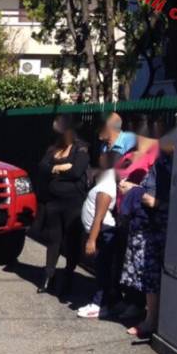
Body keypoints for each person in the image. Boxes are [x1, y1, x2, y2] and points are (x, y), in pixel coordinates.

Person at [118, 123, 174, 339]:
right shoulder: (160, 161)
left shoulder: (166, 165)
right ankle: (150, 318)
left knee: (151, 276)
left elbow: (154, 200)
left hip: (156, 229)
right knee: (147, 276)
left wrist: (133, 190)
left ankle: (151, 321)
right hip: (148, 227)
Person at [36, 115, 89, 295]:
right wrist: (58, 168)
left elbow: (76, 171)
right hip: (54, 202)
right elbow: (42, 167)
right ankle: (48, 275)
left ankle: (68, 275)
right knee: (53, 239)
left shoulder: (81, 148)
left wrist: (57, 169)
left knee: (71, 240)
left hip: (73, 202)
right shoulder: (54, 148)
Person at [77, 151, 119, 319]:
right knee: (103, 269)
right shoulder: (104, 181)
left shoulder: (106, 187)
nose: (99, 158)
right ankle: (108, 302)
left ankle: (99, 305)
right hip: (102, 232)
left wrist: (91, 240)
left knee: (102, 271)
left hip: (103, 233)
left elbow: (98, 217)